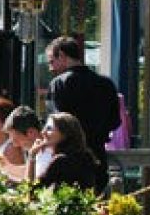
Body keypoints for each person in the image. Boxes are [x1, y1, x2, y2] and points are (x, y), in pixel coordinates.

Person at [45, 36, 120, 191]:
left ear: (63, 56)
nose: (50, 68)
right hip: (97, 159)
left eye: (52, 61)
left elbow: (58, 124)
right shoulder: (106, 84)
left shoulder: (59, 84)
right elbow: (115, 121)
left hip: (66, 162)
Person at [27, 112, 99, 190]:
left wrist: (32, 156)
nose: (43, 132)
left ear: (64, 134)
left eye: (49, 129)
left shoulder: (61, 161)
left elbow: (32, 191)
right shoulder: (86, 156)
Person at [0, 106, 52, 182]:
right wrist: (5, 167)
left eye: (16, 139)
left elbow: (31, 184)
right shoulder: (38, 151)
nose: (15, 145)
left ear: (31, 133)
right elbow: (26, 171)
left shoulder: (47, 153)